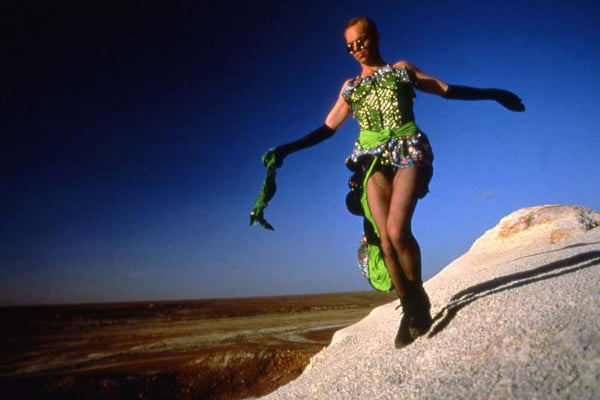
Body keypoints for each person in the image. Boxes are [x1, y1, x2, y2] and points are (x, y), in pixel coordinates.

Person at [250, 17, 524, 348]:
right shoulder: (350, 87)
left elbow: (445, 89)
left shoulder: (400, 70)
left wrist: (494, 93)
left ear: (376, 38)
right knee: (383, 239)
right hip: (370, 161)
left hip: (407, 147)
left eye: (361, 41)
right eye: (350, 46)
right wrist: (286, 150)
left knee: (397, 230)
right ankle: (413, 307)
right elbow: (326, 128)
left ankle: (415, 299)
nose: (357, 49)